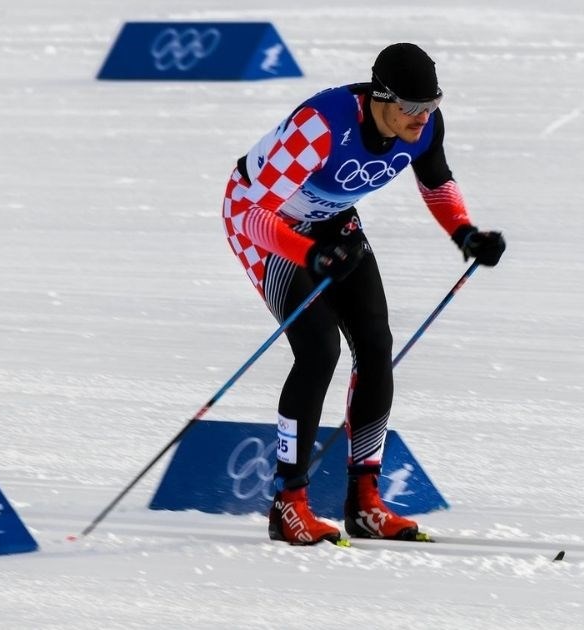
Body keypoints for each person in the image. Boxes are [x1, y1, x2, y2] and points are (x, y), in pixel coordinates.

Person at [221, 43, 505, 544]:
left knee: (376, 346)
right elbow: (254, 216)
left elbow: (437, 183)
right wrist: (308, 255)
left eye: (432, 106)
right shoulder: (322, 125)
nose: (423, 119)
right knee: (318, 349)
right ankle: (288, 503)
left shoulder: (424, 126)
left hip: (331, 221)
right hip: (264, 223)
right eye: (412, 108)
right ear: (380, 98)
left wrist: (466, 234)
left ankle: (364, 502)